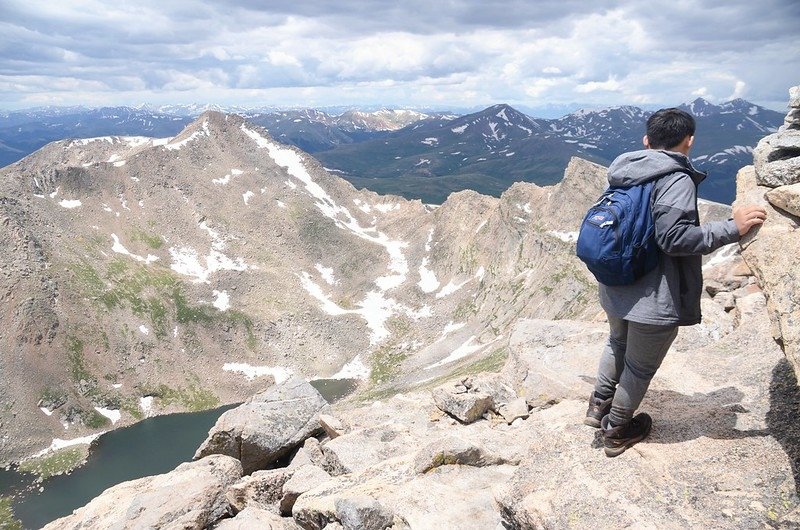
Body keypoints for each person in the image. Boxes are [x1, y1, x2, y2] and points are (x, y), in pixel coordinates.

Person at [584, 107, 767, 457]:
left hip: (615, 283)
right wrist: (733, 227)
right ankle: (617, 429)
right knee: (639, 366)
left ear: (647, 141)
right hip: (653, 294)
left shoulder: (624, 170)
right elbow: (674, 238)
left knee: (617, 344)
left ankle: (598, 408)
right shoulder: (676, 178)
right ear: (689, 141)